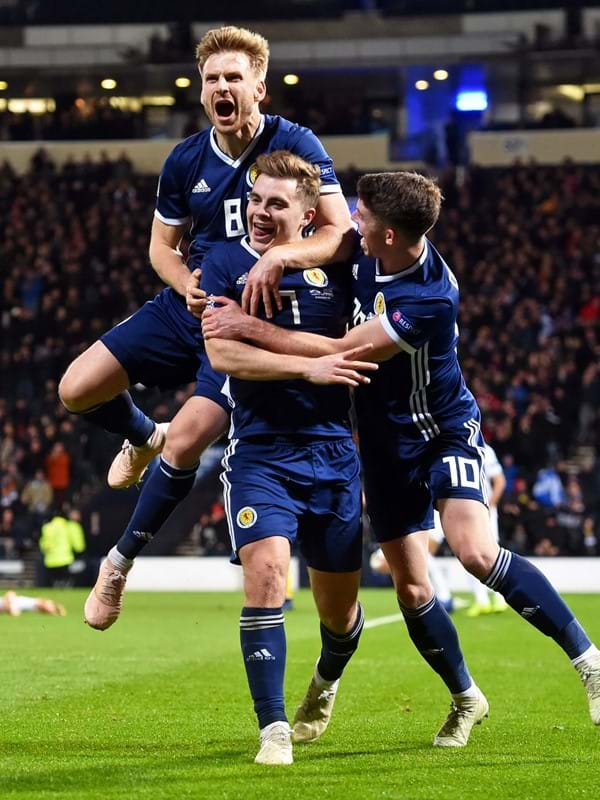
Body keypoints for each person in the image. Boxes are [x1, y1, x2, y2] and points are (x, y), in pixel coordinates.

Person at [202, 170, 600, 735]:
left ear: (388, 235)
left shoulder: (431, 297)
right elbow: (328, 235)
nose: (352, 224)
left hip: (440, 430)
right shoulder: (367, 247)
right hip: (384, 450)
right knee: (412, 589)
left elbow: (342, 351)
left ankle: (589, 661)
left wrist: (245, 326)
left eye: (362, 218)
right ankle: (466, 698)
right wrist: (279, 257)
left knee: (474, 552)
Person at [67, 25, 353, 630]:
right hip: (194, 298)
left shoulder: (295, 143)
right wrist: (185, 286)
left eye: (234, 78)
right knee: (77, 387)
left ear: (260, 89)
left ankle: (117, 566)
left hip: (253, 311)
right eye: (212, 79)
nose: (222, 87)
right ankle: (141, 435)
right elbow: (160, 248)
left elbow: (338, 232)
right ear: (202, 91)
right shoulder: (185, 159)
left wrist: (280, 258)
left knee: (192, 432)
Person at [202, 152, 371, 764]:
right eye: (255, 199)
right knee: (268, 574)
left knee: (341, 616)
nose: (260, 212)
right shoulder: (222, 261)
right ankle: (272, 728)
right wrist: (310, 364)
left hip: (332, 452)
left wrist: (262, 331)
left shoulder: (346, 267)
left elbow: (359, 347)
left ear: (307, 214)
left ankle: (324, 682)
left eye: (276, 203)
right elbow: (223, 355)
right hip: (261, 451)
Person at [39, 506, 86, 587]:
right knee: (67, 582)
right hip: (66, 560)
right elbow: (79, 547)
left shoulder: (46, 527)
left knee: (55, 583)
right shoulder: (70, 526)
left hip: (50, 562)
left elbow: (43, 546)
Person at [0, 590, 66, 617]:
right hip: (13, 602)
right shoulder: (37, 603)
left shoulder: (36, 605)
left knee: (14, 612)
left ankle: (57, 609)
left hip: (13, 603)